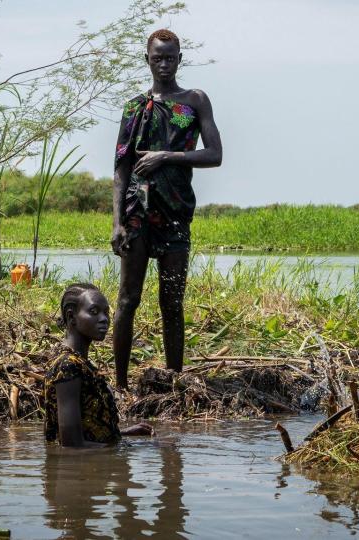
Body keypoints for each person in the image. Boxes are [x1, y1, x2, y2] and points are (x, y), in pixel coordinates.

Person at [110, 29, 223, 389]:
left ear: (179, 58)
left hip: (175, 211)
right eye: (157, 57)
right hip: (136, 209)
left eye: (169, 57)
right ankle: (121, 385)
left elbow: (215, 154)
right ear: (147, 60)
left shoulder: (195, 100)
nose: (163, 63)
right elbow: (121, 168)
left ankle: (175, 381)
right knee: (128, 300)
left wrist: (166, 156)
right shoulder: (133, 107)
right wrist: (116, 223)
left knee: (172, 302)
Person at [44, 283, 153, 446]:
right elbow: (71, 445)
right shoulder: (67, 366)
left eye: (106, 313)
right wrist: (128, 447)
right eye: (94, 312)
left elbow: (81, 430)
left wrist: (120, 434)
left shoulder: (78, 363)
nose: (104, 319)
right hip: (78, 471)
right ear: (71, 316)